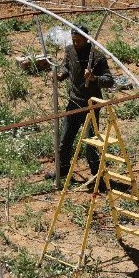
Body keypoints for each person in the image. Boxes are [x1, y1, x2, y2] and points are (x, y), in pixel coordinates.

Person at [45, 24, 114, 185]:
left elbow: (109, 80)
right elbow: (67, 66)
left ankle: (98, 176)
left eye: (79, 41)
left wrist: (94, 79)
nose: (76, 44)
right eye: (74, 40)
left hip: (91, 105)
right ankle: (62, 169)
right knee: (66, 139)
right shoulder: (70, 50)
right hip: (74, 102)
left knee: (91, 143)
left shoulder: (96, 57)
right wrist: (61, 75)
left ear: (87, 39)